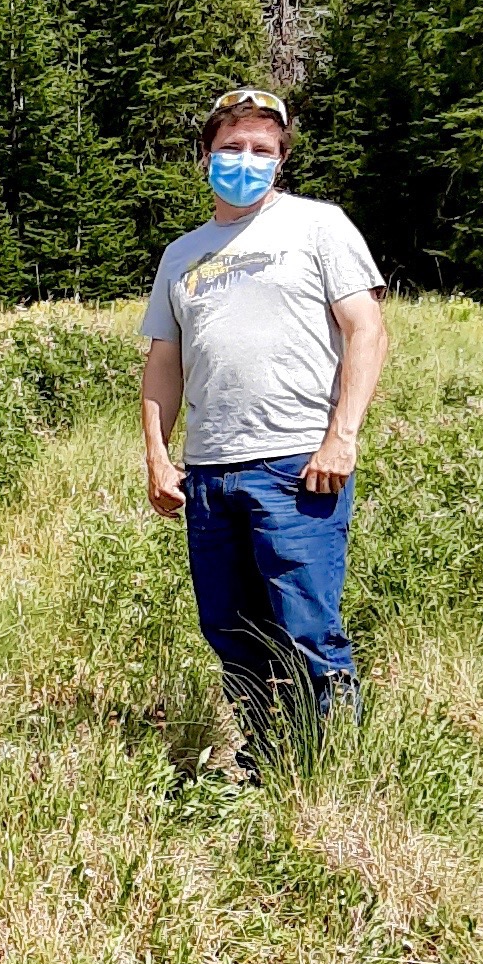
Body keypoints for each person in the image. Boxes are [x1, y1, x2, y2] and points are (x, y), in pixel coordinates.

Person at [141, 85, 390, 752]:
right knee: (230, 629)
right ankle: (265, 754)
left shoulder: (319, 227)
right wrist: (159, 458)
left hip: (297, 467)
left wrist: (342, 438)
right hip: (210, 473)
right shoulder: (181, 255)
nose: (245, 159)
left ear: (281, 159)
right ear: (205, 157)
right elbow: (165, 363)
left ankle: (332, 768)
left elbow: (366, 330)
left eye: (261, 149)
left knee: (308, 626)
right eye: (231, 148)